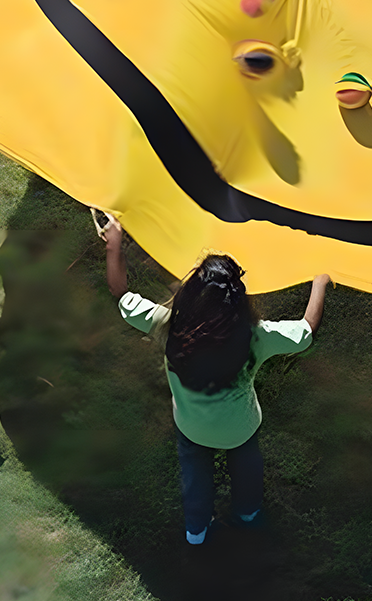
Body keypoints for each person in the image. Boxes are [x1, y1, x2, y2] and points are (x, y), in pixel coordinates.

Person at [101, 213, 328, 545]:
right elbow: (305, 331)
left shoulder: (167, 325)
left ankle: (196, 531)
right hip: (241, 428)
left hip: (191, 426)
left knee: (195, 475)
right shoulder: (255, 337)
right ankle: (248, 513)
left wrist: (114, 243)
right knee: (246, 466)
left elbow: (119, 293)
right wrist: (320, 282)